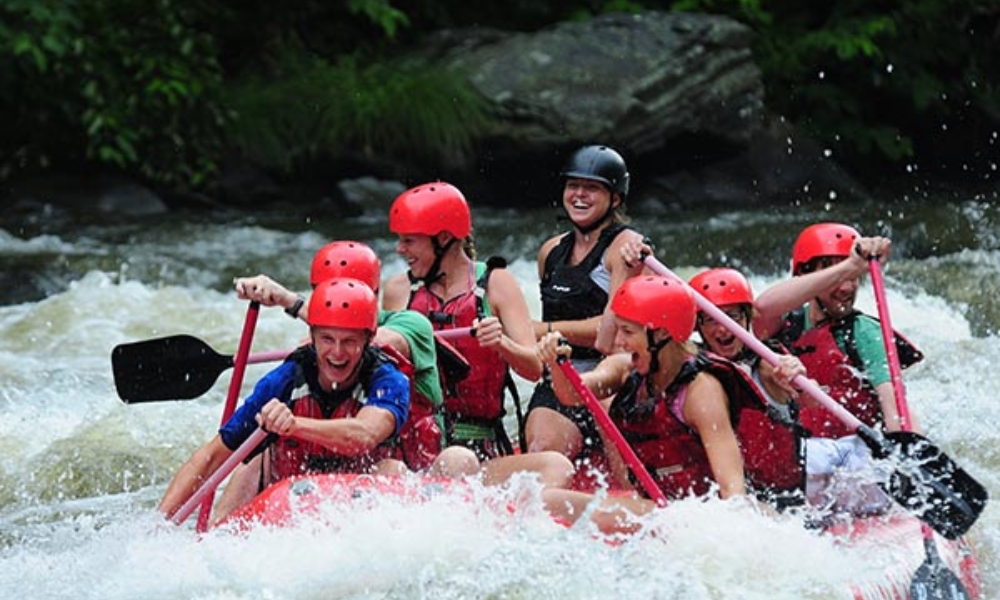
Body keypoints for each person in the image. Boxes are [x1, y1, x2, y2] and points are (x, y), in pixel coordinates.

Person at [536, 274, 800, 534]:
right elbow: (572, 393)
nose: (619, 342)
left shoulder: (701, 391)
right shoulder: (626, 368)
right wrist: (557, 363)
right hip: (664, 509)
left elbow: (733, 490)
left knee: (558, 504)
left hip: (702, 516)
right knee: (550, 502)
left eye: (628, 331)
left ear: (661, 333)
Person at [159, 277, 411, 521]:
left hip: (357, 501)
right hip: (288, 501)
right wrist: (159, 525)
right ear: (311, 336)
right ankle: (218, 532)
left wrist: (295, 425)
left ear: (369, 339)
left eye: (349, 341)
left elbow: (364, 435)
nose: (337, 352)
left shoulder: (388, 380)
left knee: (392, 468)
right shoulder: (284, 381)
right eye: (327, 339)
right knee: (252, 460)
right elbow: (212, 456)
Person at [688, 266, 891, 517]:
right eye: (711, 319)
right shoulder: (689, 367)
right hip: (739, 490)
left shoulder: (767, 361)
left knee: (870, 465)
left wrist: (798, 379)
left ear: (747, 318)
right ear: (697, 326)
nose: (723, 329)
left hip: (793, 487)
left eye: (733, 317)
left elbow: (809, 399)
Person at [233, 240, 445, 471]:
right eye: (326, 294)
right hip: (329, 452)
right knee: (257, 453)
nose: (334, 303)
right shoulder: (313, 351)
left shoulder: (411, 323)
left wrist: (288, 300)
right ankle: (221, 509)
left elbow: (376, 343)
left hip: (398, 460)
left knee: (399, 467)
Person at [382, 181, 542, 460]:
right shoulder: (399, 291)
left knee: (553, 465)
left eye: (409, 240)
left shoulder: (497, 284)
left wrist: (501, 343)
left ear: (443, 238)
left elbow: (534, 369)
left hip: (480, 447)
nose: (399, 249)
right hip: (414, 446)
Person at [524, 144, 647, 473]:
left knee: (616, 442)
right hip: (561, 377)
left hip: (612, 378)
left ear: (615, 198)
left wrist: (545, 331)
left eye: (591, 188)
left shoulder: (626, 247)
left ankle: (627, 485)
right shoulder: (550, 251)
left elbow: (616, 334)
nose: (579, 195)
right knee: (540, 449)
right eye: (573, 186)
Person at [752, 223, 923, 439]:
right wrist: (850, 266)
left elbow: (896, 409)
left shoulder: (864, 333)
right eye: (837, 276)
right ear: (806, 274)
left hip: (850, 457)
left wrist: (909, 449)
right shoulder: (786, 324)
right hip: (794, 455)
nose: (847, 288)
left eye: (854, 277)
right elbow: (762, 308)